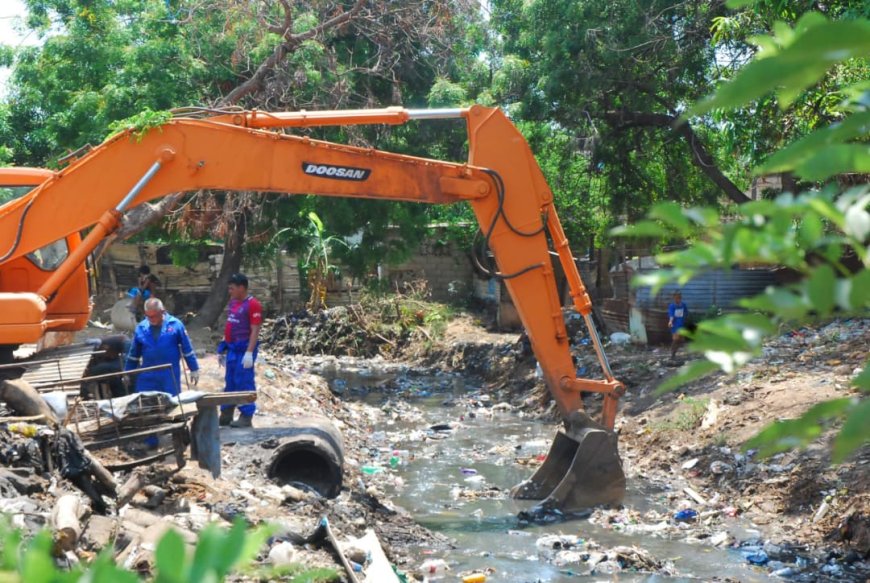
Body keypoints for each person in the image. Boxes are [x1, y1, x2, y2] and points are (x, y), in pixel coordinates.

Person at [125, 298, 200, 395]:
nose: (151, 319)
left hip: (169, 375)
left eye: (154, 316)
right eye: (148, 316)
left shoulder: (175, 325)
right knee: (145, 403)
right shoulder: (141, 328)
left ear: (162, 312)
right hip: (147, 375)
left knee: (172, 404)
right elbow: (133, 355)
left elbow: (187, 350)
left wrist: (194, 369)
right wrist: (127, 373)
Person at [218, 273, 262, 428]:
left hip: (244, 349)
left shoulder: (253, 305)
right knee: (230, 381)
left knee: (243, 381)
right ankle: (226, 413)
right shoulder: (233, 303)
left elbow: (255, 330)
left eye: (232, 288)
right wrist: (223, 347)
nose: (229, 291)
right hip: (232, 349)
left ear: (241, 288)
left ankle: (246, 416)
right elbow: (230, 324)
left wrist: (249, 353)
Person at [82, 334, 131, 399]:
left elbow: (111, 353)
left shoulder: (105, 344)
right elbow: (111, 354)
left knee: (124, 365)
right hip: (122, 345)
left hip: (125, 345)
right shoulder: (105, 343)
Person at [667, 291, 689, 361]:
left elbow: (686, 313)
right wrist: (670, 321)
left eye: (679, 298)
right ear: (674, 298)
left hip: (681, 325)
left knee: (680, 340)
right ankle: (672, 354)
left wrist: (684, 319)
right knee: (676, 339)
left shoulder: (683, 305)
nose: (677, 299)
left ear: (681, 298)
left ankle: (674, 353)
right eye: (676, 298)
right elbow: (671, 315)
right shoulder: (672, 306)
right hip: (675, 325)